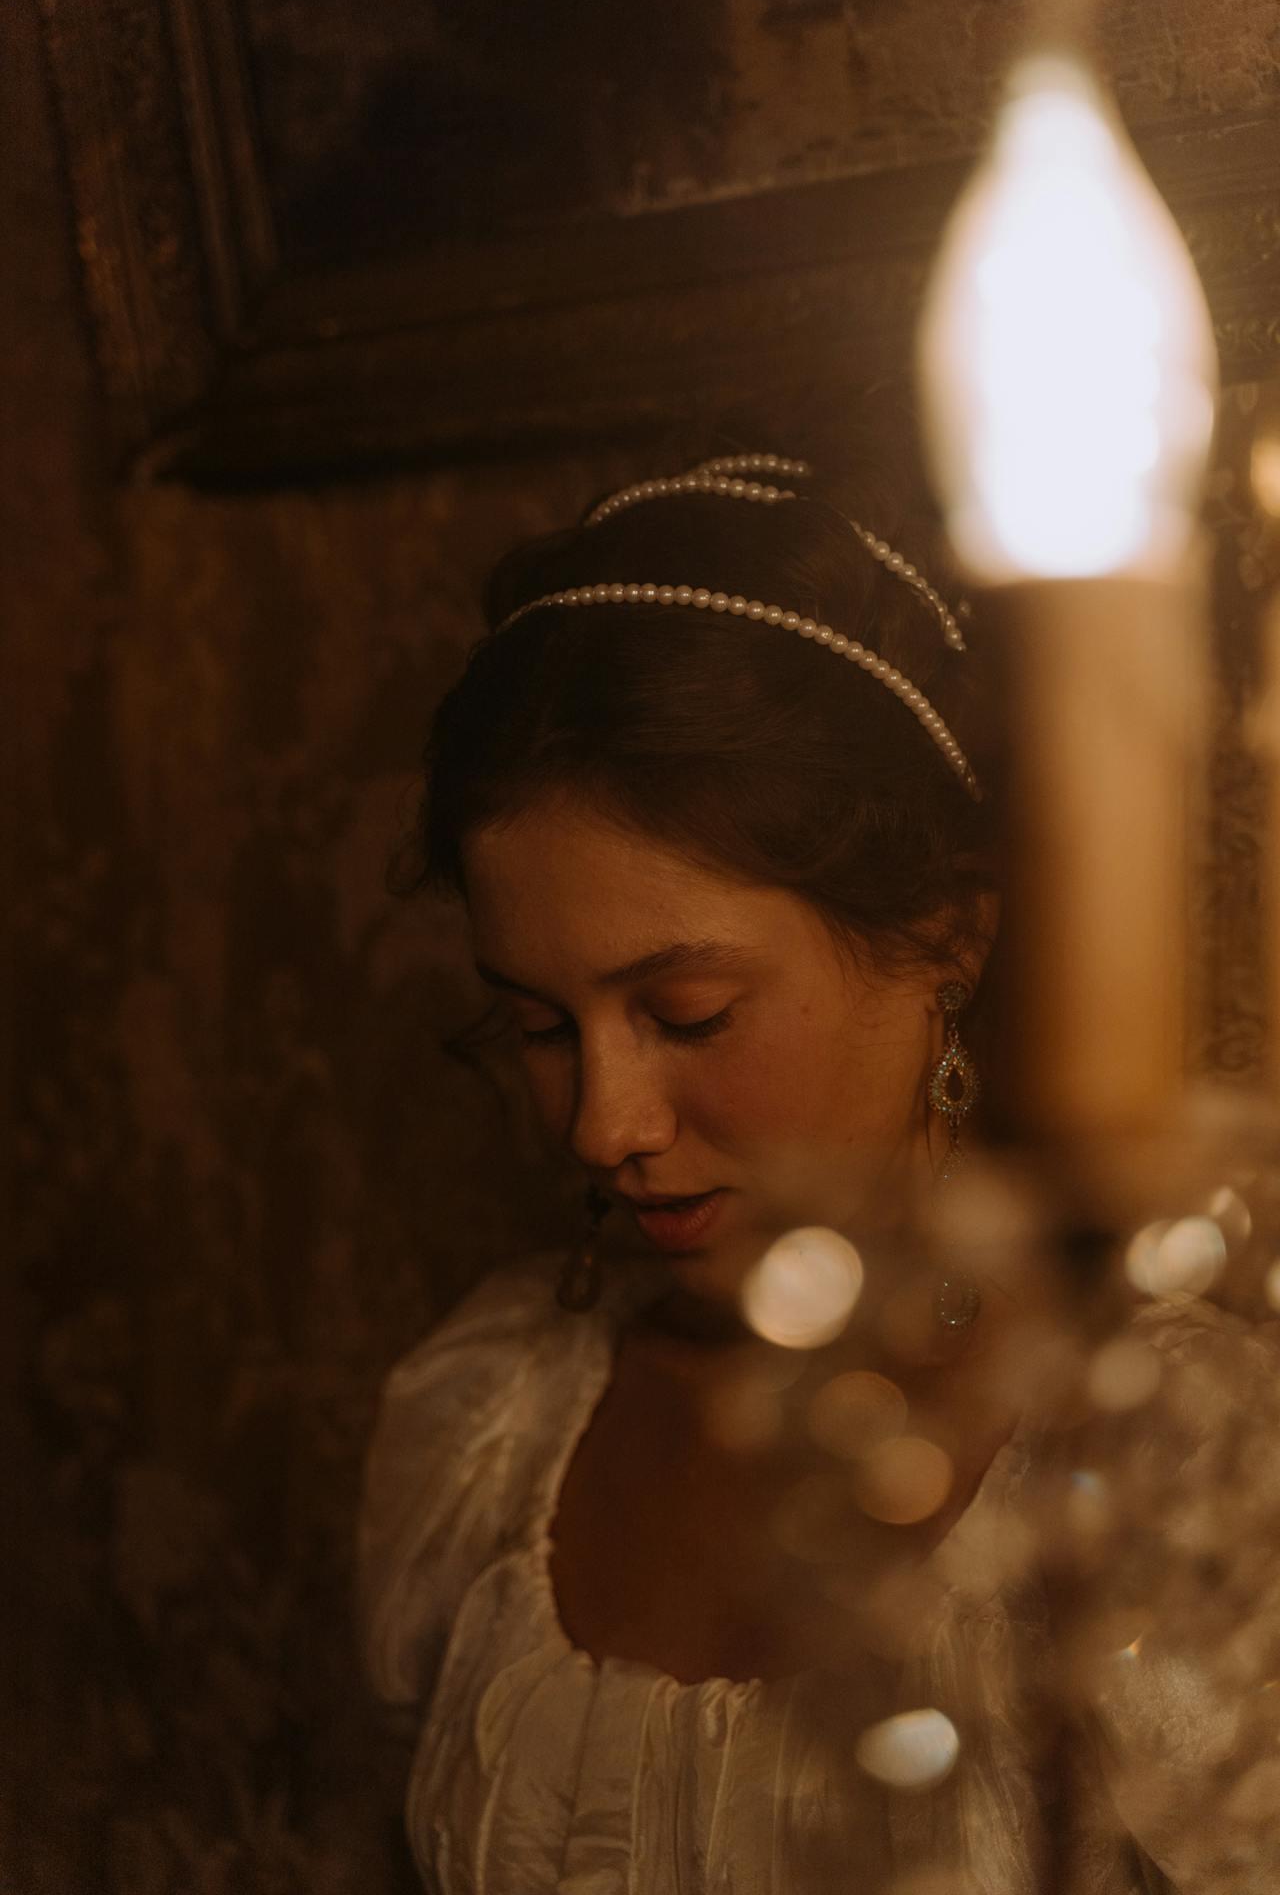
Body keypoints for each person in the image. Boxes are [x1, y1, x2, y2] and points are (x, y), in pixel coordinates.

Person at [356, 442, 1280, 1893]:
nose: (601, 1127)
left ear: (946, 941)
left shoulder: (1165, 1446)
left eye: (687, 1014)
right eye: (537, 1025)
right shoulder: (494, 1421)